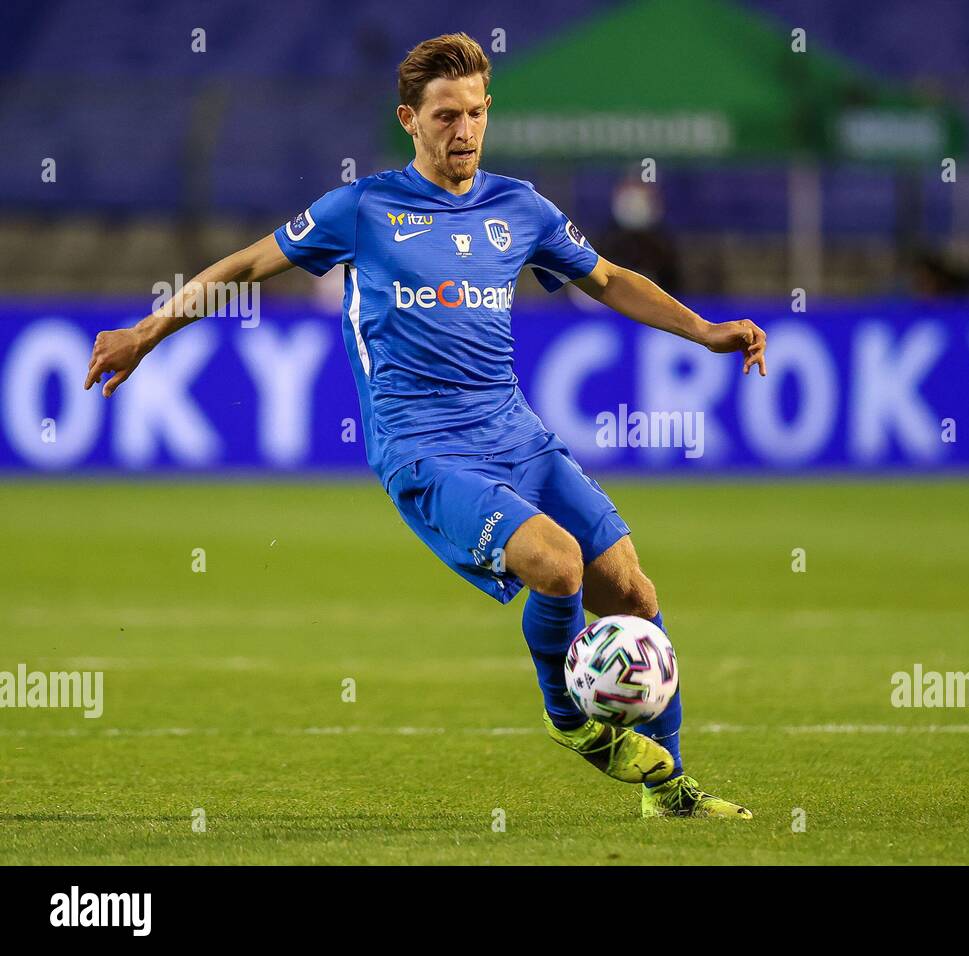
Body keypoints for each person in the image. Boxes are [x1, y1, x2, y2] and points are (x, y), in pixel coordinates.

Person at [84, 33, 766, 819]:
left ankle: (670, 792)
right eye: (446, 115)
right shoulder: (361, 209)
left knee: (637, 597)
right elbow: (241, 267)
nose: (464, 130)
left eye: (476, 113)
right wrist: (146, 330)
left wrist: (704, 330)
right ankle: (570, 719)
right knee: (558, 564)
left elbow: (610, 279)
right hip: (423, 448)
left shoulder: (520, 206)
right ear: (409, 118)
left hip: (518, 433)